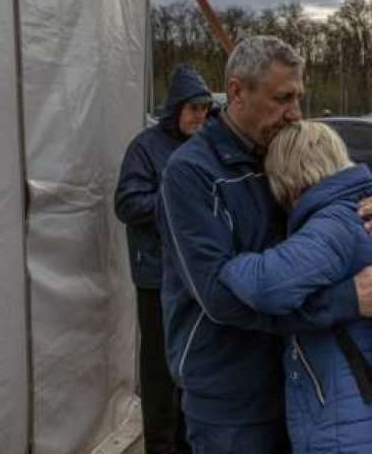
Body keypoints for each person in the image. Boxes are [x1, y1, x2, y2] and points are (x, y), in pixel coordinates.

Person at [157, 35, 372, 453]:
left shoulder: (282, 147)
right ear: (237, 92)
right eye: (282, 98)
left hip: (303, 380)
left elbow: (337, 212)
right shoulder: (190, 173)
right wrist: (347, 300)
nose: (295, 113)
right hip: (231, 394)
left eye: (299, 97)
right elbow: (219, 299)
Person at [218, 121, 372, 453]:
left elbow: (266, 287)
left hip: (347, 429)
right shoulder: (355, 210)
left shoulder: (332, 225)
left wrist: (223, 260)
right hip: (365, 418)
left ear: (290, 175)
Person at [114, 64, 212, 454]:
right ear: (175, 109)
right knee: (158, 367)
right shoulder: (145, 147)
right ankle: (159, 444)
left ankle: (187, 442)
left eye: (205, 109)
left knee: (191, 360)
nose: (200, 117)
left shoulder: (203, 145)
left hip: (193, 275)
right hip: (156, 275)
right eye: (193, 109)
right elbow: (126, 202)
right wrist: (175, 202)